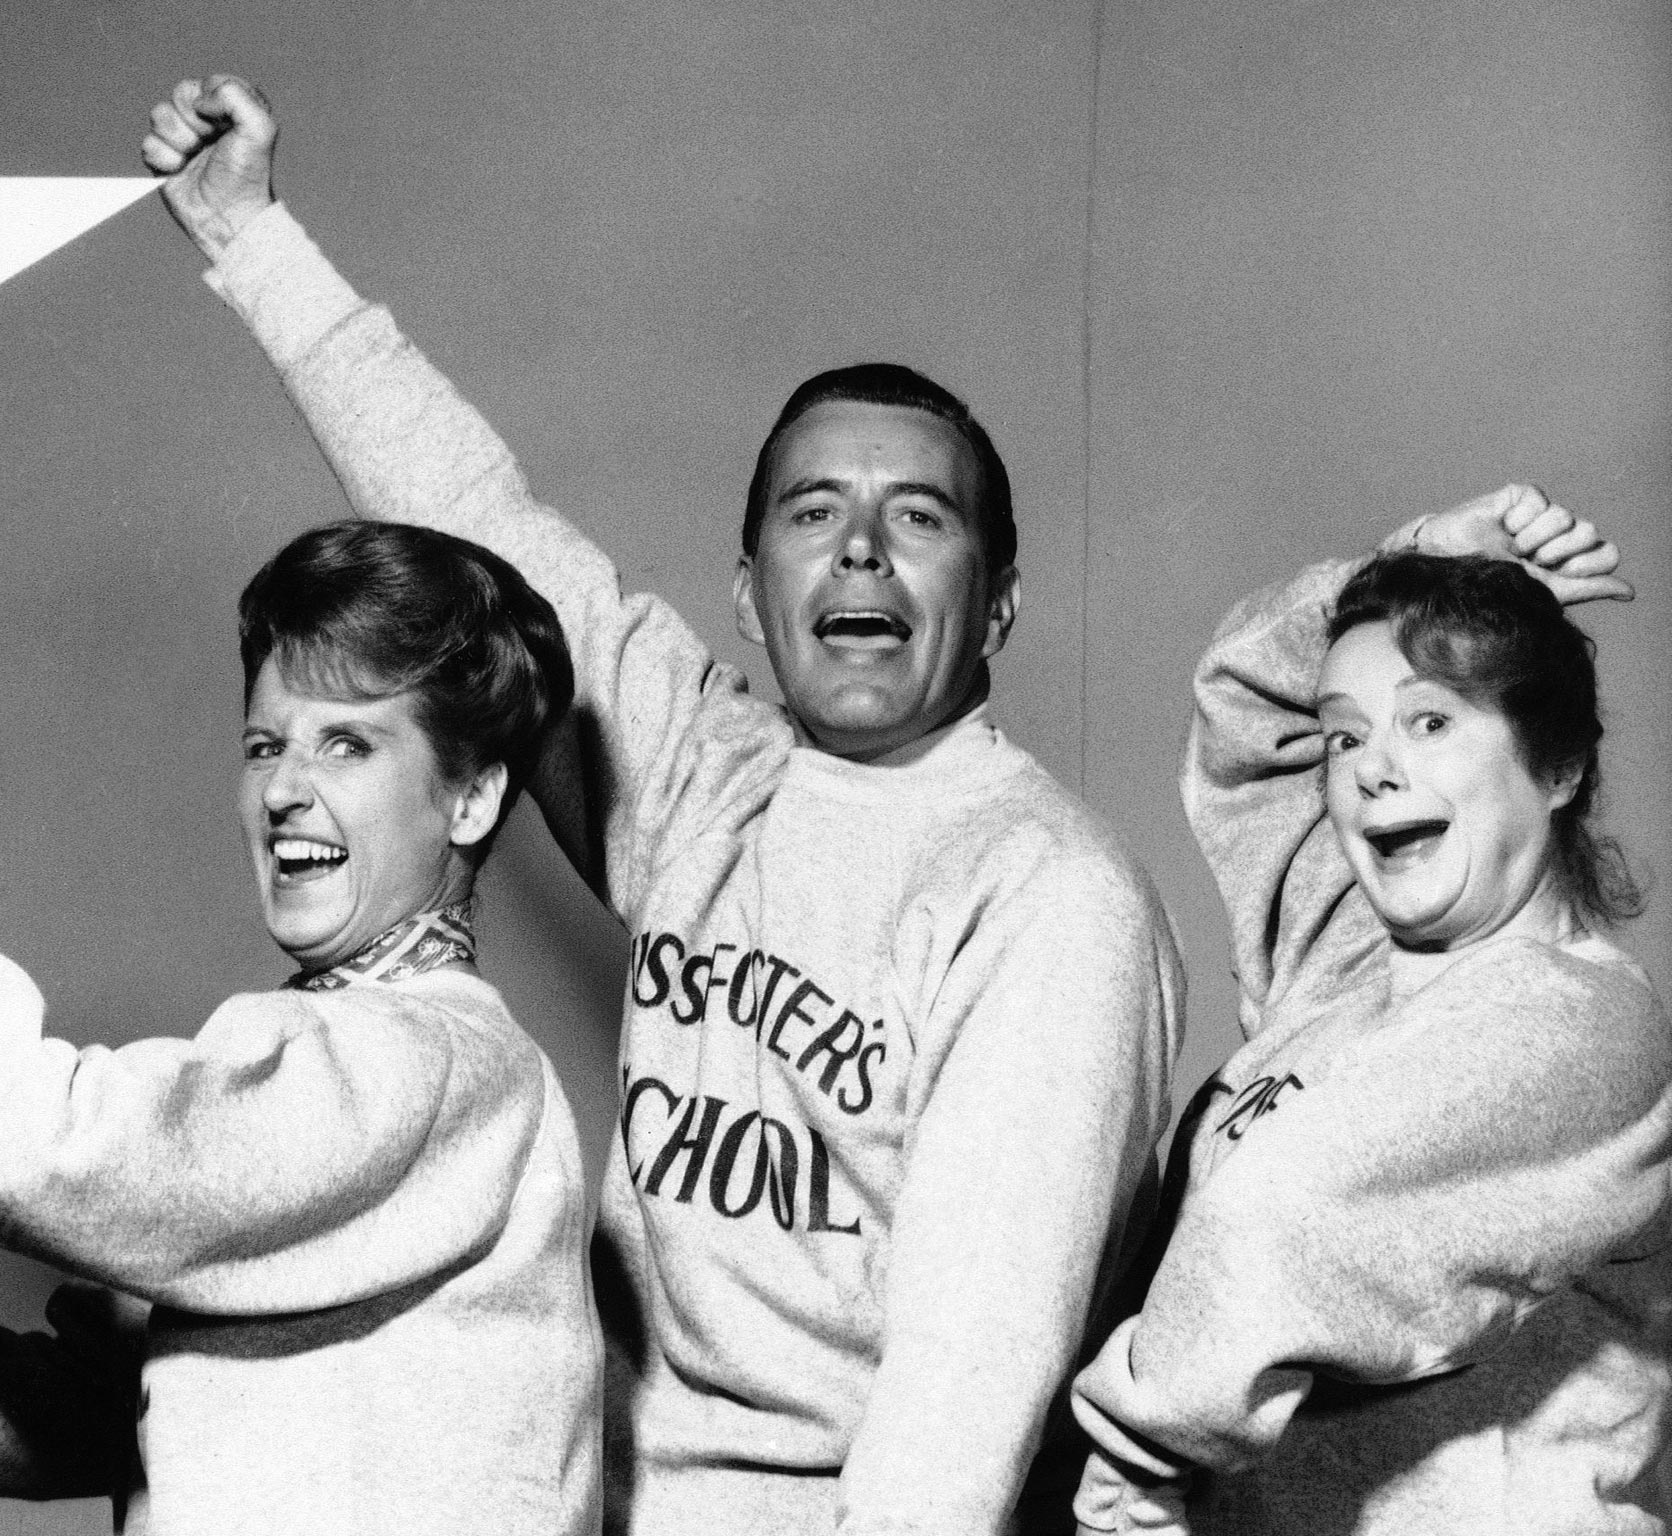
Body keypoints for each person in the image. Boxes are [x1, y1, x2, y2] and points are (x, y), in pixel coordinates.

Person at [142, 74, 1187, 1535]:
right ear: (749, 592)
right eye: (813, 515)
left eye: (922, 518)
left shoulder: (1049, 894)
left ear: (999, 599)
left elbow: (970, 1386)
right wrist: (249, 236)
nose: (864, 554)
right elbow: (479, 517)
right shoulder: (705, 776)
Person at [0, 521, 601, 1536]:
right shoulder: (338, 1087)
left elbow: (48, 1143)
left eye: (346, 743)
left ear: (473, 794)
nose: (280, 790)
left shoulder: (427, 1060)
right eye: (264, 744)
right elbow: (84, 1409)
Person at [1068, 486, 1671, 1535]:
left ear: (1559, 764)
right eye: (1344, 739)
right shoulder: (1340, 960)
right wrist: (1410, 560)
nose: (1370, 770)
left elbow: (1271, 1223)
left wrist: (1123, 1494)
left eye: (1429, 721)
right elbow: (1245, 707)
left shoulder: (1579, 1032)